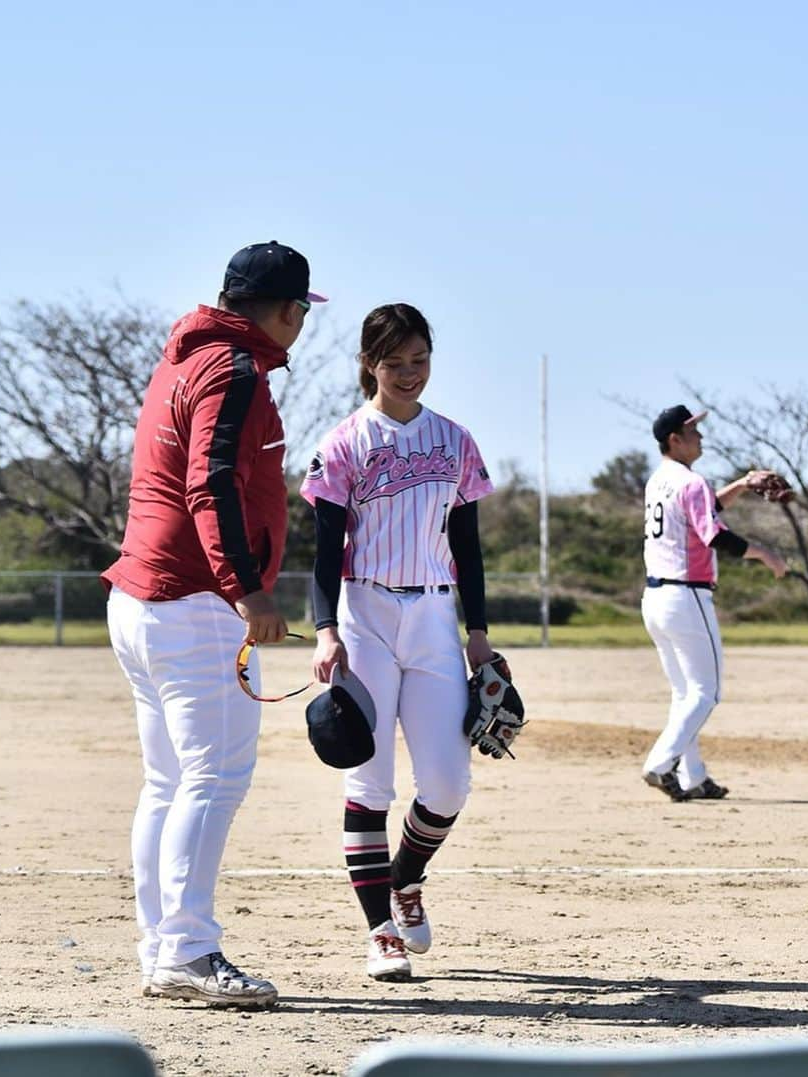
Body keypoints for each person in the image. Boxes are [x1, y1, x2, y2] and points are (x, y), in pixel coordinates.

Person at [101, 241, 326, 1008]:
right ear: (288, 310)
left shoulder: (188, 356)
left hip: (144, 596)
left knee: (170, 779)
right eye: (302, 309)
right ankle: (189, 951)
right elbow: (209, 487)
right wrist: (249, 592)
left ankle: (164, 945)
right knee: (215, 776)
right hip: (192, 601)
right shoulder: (231, 371)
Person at [300, 302, 495, 981]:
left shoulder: (456, 441)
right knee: (370, 777)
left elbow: (466, 548)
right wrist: (326, 629)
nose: (410, 373)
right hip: (366, 613)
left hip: (437, 616)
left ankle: (405, 881)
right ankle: (380, 929)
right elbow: (324, 552)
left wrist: (479, 633)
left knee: (447, 780)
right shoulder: (344, 442)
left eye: (420, 359)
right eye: (394, 362)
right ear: (368, 364)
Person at [641, 404, 787, 802]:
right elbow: (715, 534)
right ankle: (659, 763)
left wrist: (741, 483)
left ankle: (693, 778)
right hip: (687, 596)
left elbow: (703, 509)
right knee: (707, 694)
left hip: (655, 600)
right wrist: (766, 554)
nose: (700, 438)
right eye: (693, 432)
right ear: (675, 439)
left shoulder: (659, 481)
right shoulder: (692, 482)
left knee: (685, 695)